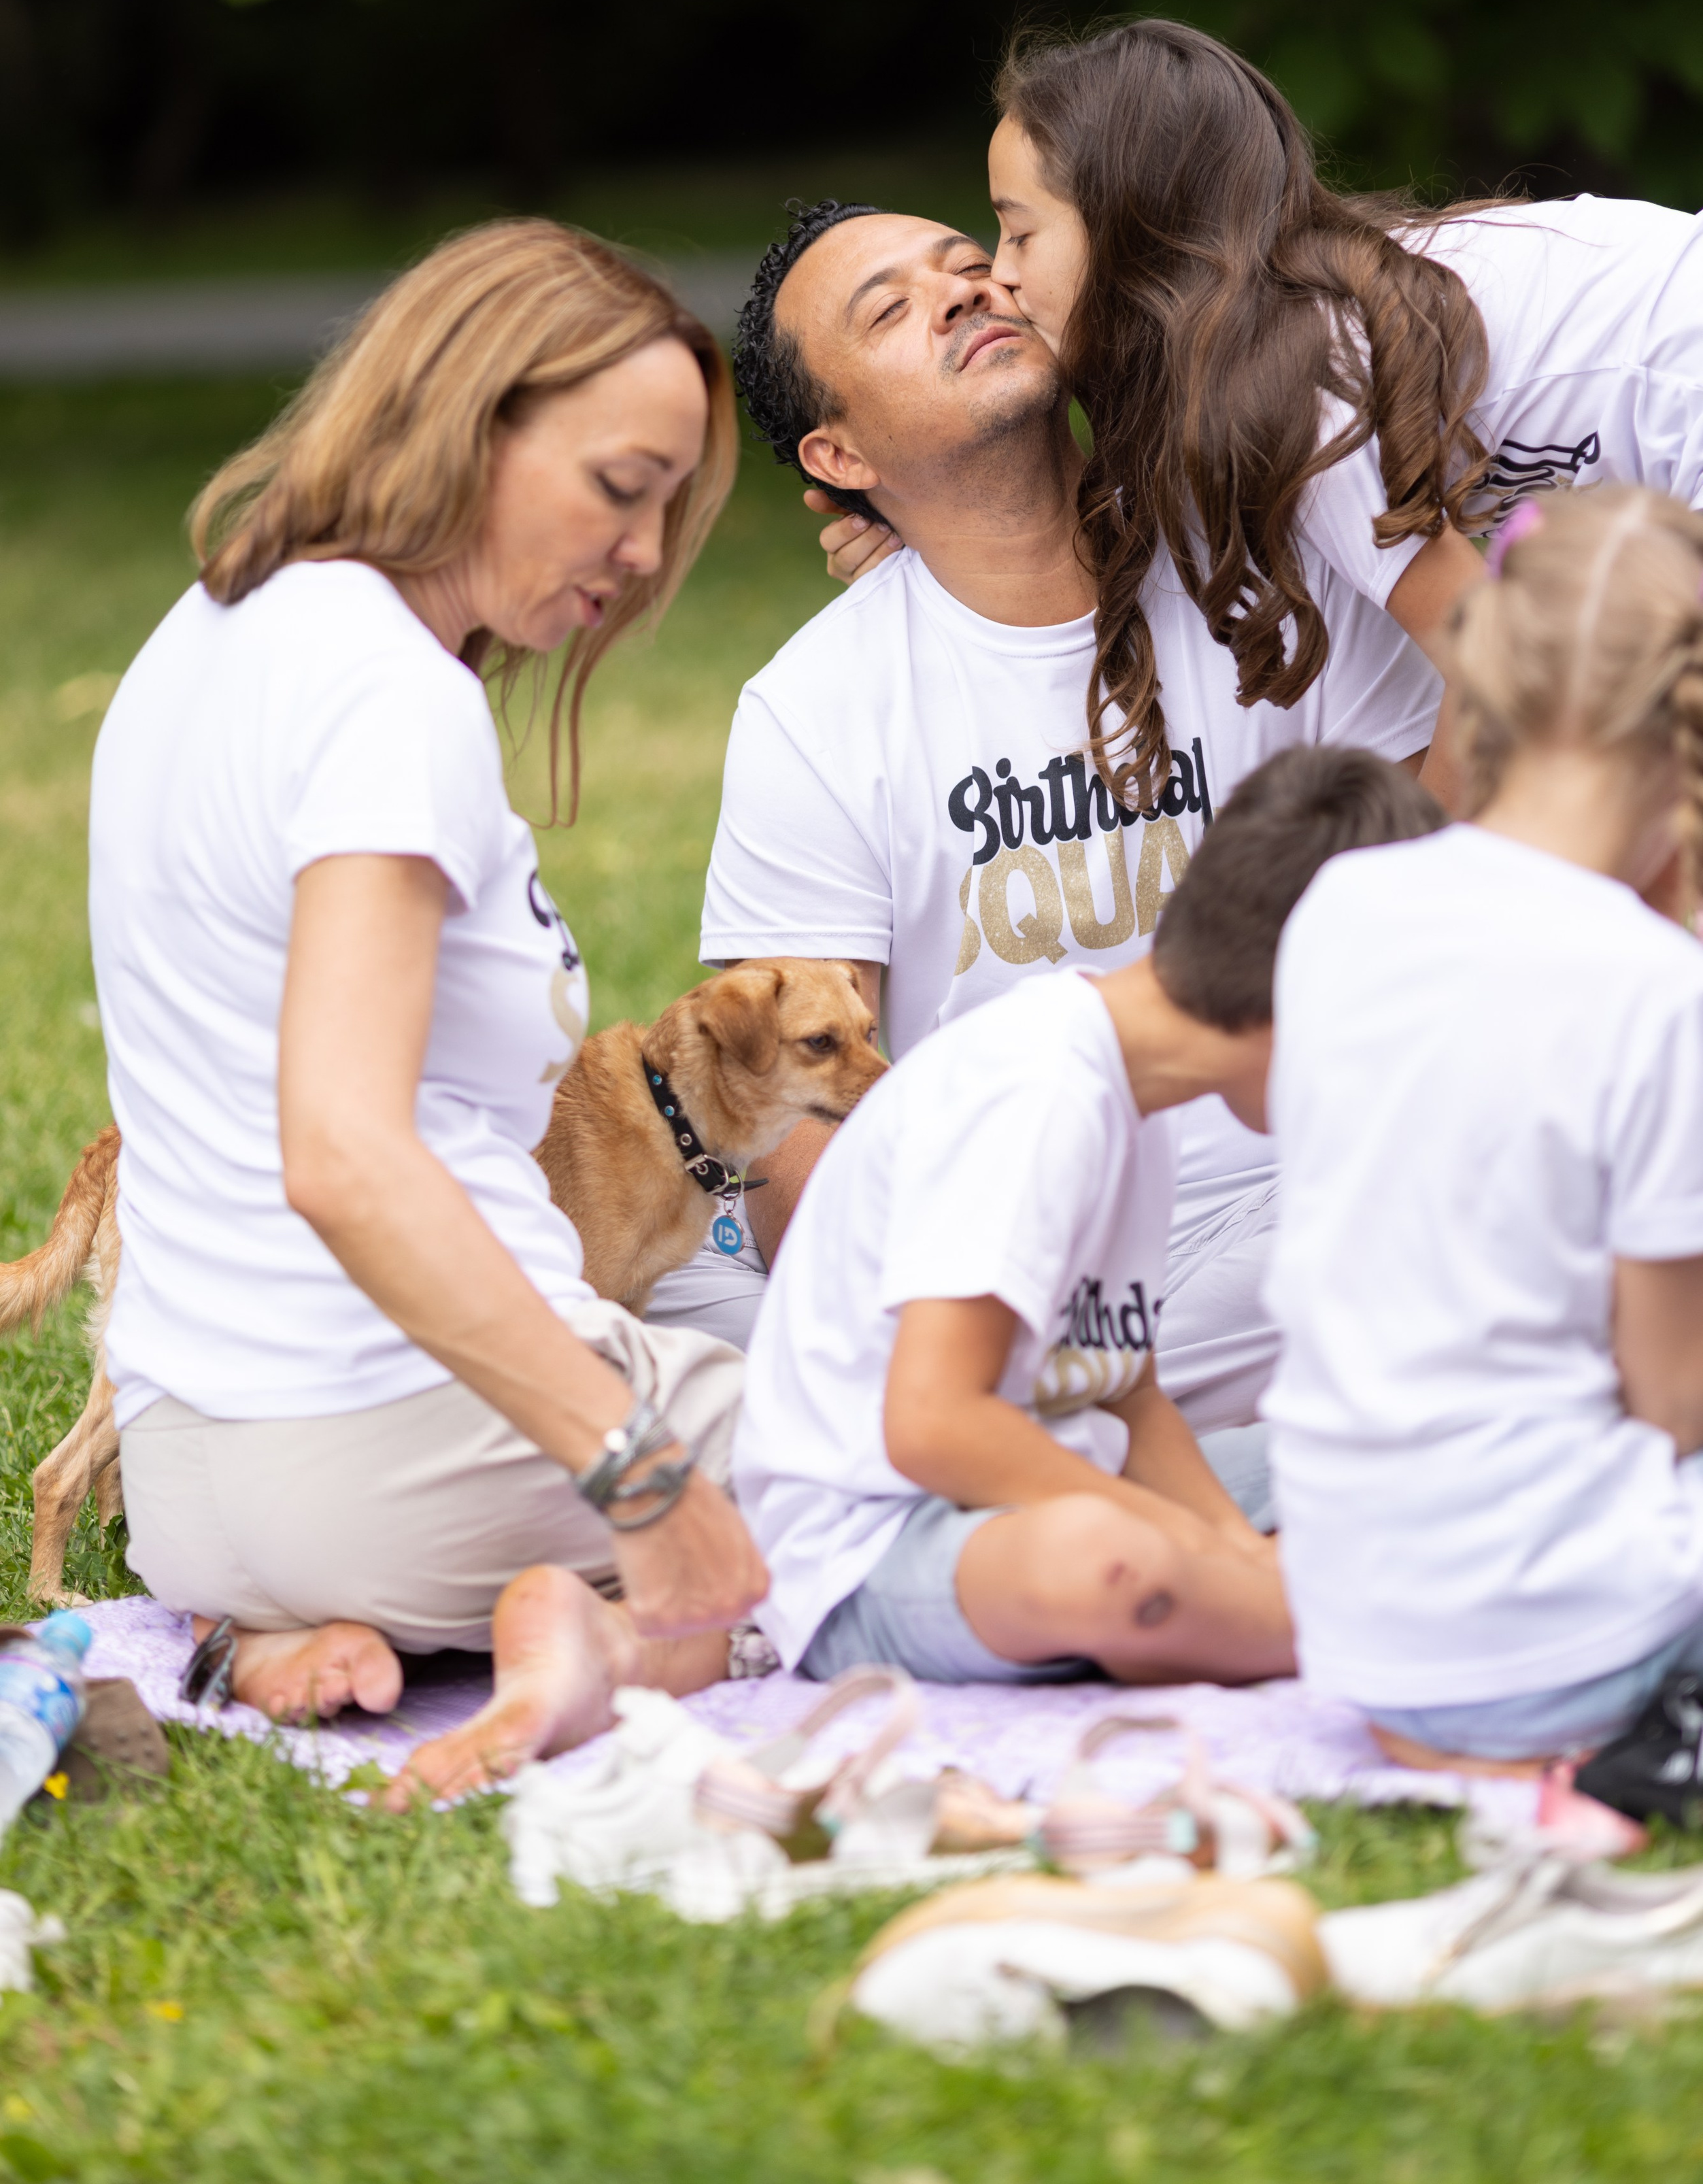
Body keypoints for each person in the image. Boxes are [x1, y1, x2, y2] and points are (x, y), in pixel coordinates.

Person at [90, 219, 766, 1808]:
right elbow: (344, 1154)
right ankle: (572, 1621)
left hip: (194, 1469)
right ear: (471, 416)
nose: (650, 551)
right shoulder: (390, 690)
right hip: (402, 1446)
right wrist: (637, 1467)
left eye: (673, 504)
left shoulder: (208, 629)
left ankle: (295, 1634)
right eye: (620, 485)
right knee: (953, 1448)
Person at [652, 203, 1442, 1416]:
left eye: (974, 264)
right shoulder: (815, 709)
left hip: (1303, 1191)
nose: (963, 292)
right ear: (841, 457)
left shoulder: (1269, 557)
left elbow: (1463, 862)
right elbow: (794, 1120)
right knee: (631, 1290)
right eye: (892, 306)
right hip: (999, 1261)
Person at [822, 19, 1703, 799]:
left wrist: (1421, 909)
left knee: (1614, 758)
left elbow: (1491, 666)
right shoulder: (1297, 322)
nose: (1005, 272)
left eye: (1020, 231)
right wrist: (929, 523)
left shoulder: (1299, 387)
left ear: (1135, 226)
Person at [735, 747, 1444, 1685]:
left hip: (1056, 1487)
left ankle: (1273, 1606)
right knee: (1113, 1567)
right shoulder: (1041, 1089)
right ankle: (1369, 1626)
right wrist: (1188, 1546)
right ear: (1311, 996)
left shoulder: (1136, 1101)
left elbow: (1124, 1391)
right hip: (879, 1542)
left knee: (1421, 1448)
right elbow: (931, 1425)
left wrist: (1227, 1545)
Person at [1262, 486, 1703, 1768]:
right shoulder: (1664, 991)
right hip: (1567, 1639)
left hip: (1374, 1636)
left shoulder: (1343, 906)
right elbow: (1683, 1398)